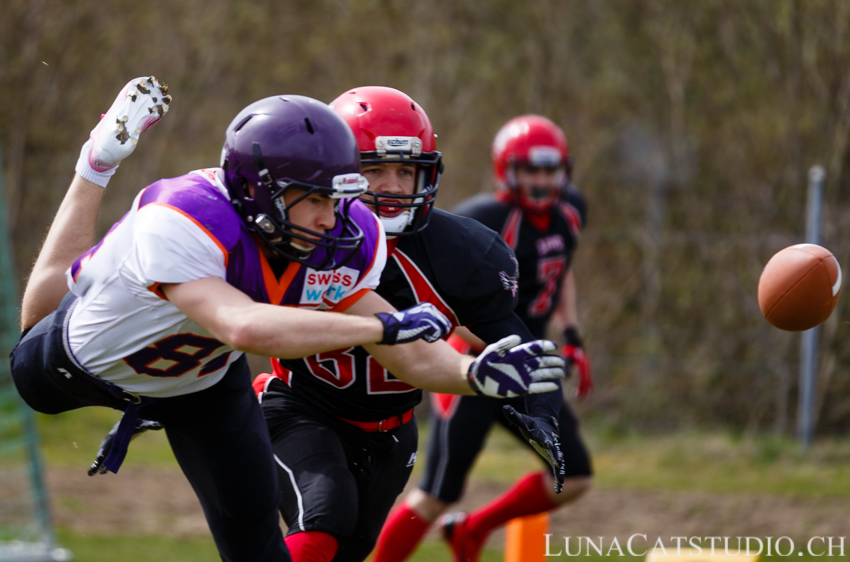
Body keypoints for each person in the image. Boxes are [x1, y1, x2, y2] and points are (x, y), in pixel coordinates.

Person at [10, 78, 564, 562]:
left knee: (258, 544)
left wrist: (472, 375)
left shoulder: (344, 233)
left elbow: (410, 348)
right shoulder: (182, 217)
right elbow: (245, 328)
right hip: (83, 366)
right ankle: (97, 162)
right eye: (317, 200)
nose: (336, 218)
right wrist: (378, 328)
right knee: (37, 327)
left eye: (340, 197)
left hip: (200, 383)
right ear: (258, 192)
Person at [252, 87, 569, 562]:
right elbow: (223, 311)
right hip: (299, 407)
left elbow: (520, 346)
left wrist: (543, 413)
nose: (395, 186)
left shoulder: (458, 253)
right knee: (323, 521)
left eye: (406, 170)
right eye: (374, 169)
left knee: (348, 550)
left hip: (392, 430)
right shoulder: (300, 233)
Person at [375, 115, 594, 562]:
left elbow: (560, 269)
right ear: (507, 170)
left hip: (529, 364)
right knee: (436, 495)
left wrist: (571, 335)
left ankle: (473, 530)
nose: (541, 180)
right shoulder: (483, 219)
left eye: (549, 170)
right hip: (474, 366)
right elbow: (443, 294)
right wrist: (489, 353)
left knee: (574, 475)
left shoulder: (571, 211)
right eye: (530, 169)